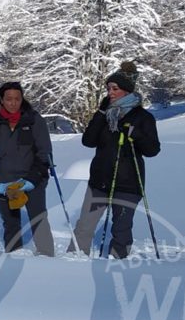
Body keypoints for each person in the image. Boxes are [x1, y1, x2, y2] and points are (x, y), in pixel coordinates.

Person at [66, 62, 160, 258]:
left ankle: (118, 267)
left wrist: (135, 134)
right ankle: (72, 262)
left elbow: (152, 150)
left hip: (128, 184)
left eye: (114, 88)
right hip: (99, 181)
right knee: (84, 227)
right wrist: (100, 114)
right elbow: (88, 141)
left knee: (121, 231)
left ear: (126, 90)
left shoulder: (143, 117)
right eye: (108, 88)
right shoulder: (106, 115)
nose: (110, 92)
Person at [0, 81, 54, 256]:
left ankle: (48, 258)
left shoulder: (34, 120)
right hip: (4, 179)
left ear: (22, 99)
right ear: (2, 100)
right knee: (11, 223)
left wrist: (33, 178)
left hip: (32, 179)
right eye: (9, 99)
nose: (13, 103)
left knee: (38, 219)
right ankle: (13, 258)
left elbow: (45, 152)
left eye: (17, 99)